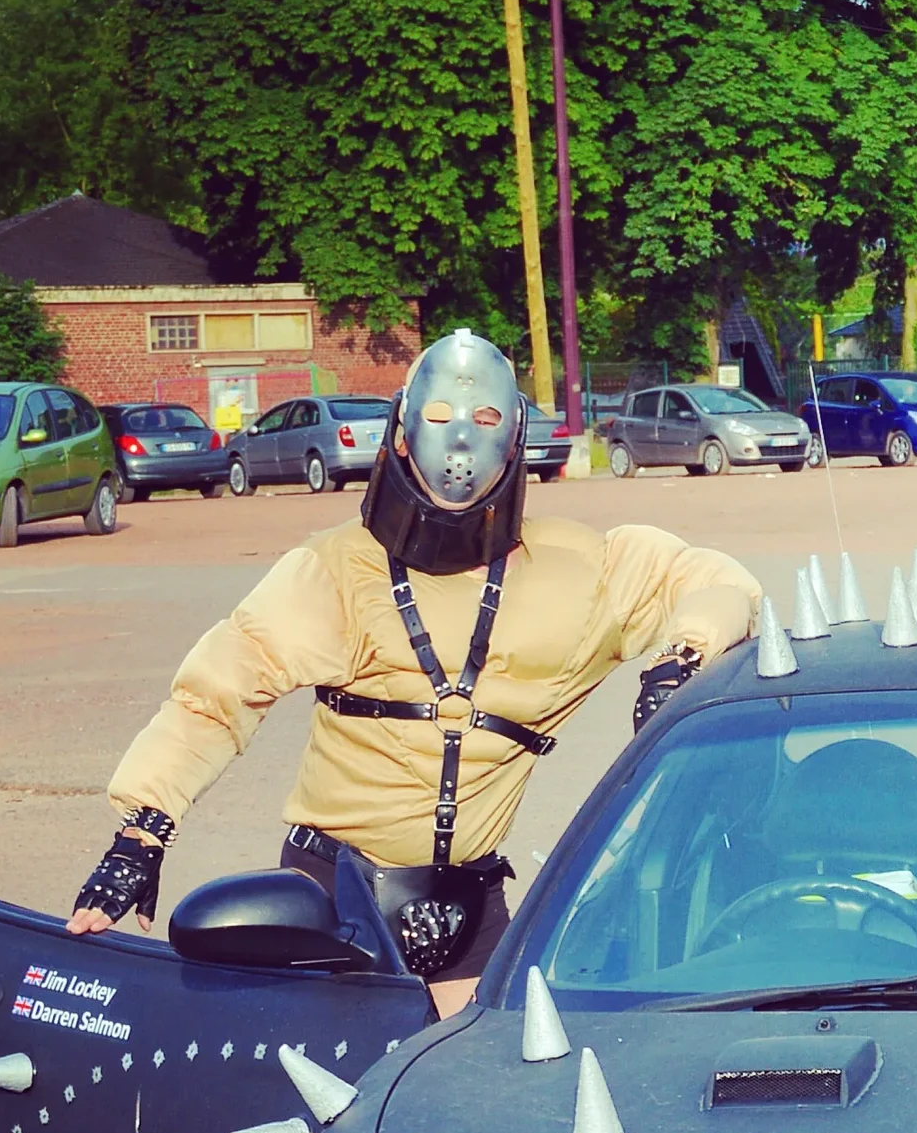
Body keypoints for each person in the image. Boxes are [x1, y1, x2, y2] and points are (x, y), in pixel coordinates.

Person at [67, 330, 761, 1014]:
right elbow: (214, 695)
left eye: (485, 420)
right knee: (316, 1103)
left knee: (472, 1093)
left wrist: (685, 656)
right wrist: (141, 830)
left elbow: (714, 580)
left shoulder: (582, 575)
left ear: (514, 438)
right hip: (332, 898)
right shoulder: (336, 571)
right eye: (437, 419)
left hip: (467, 906)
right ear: (400, 434)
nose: (459, 442)